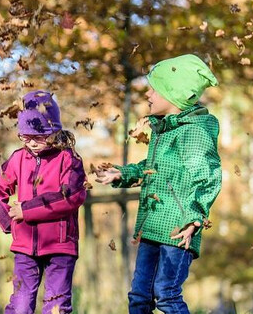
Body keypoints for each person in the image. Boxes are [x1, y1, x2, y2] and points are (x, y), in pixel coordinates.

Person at [94, 54, 222, 314]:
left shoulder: (193, 132)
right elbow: (152, 169)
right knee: (139, 296)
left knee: (166, 294)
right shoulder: (165, 130)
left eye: (154, 88)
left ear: (173, 95)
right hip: (153, 226)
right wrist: (123, 174)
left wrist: (195, 217)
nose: (148, 94)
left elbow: (208, 175)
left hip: (178, 229)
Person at [0, 90, 87, 314]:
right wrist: (9, 221)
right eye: (24, 136)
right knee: (20, 306)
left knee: (57, 306)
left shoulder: (69, 159)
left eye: (37, 136)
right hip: (25, 247)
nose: (30, 143)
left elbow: (70, 196)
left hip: (60, 245)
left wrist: (26, 210)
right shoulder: (18, 158)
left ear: (52, 130)